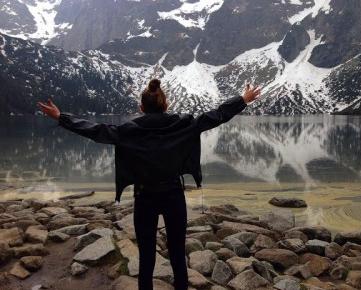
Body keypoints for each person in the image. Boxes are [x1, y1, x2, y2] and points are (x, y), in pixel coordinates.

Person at [37, 80, 261, 290]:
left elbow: (95, 131)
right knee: (177, 255)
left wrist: (61, 117)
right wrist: (242, 99)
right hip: (173, 195)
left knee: (146, 257)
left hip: (145, 198)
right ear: (166, 105)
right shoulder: (183, 124)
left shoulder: (128, 131)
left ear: (141, 107)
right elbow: (216, 116)